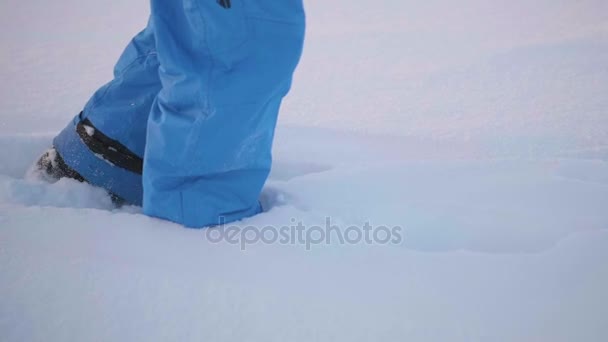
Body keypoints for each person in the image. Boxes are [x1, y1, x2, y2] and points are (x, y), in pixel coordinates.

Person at [33, 0, 306, 228]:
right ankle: (197, 216)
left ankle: (113, 152)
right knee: (243, 39)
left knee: (195, 27)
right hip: (200, 251)